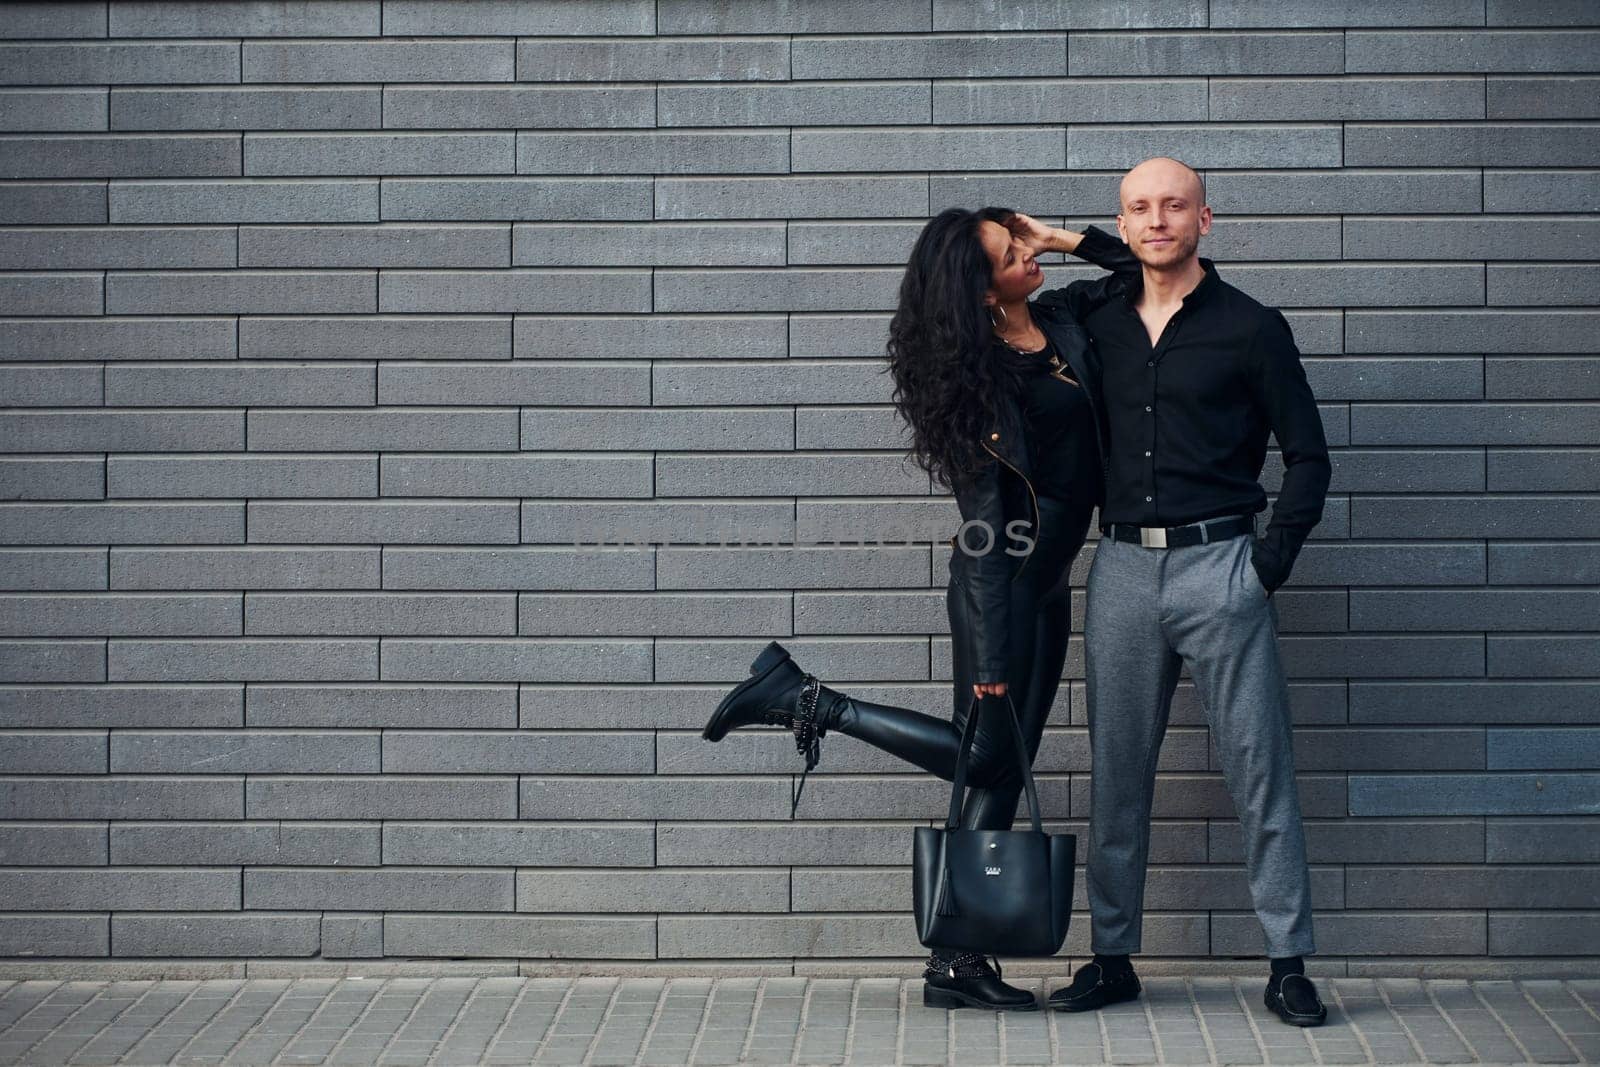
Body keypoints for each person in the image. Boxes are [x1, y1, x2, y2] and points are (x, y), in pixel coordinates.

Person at [701, 206, 1138, 1011]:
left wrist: (1062, 238)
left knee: (1003, 770)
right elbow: (982, 531)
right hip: (998, 586)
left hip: (1046, 583)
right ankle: (806, 699)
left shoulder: (1064, 320)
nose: (1027, 258)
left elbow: (1142, 269)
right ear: (977, 292)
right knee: (986, 760)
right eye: (1011, 255)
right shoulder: (980, 386)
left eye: (1021, 245)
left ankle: (956, 965)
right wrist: (992, 657)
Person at [1044, 157, 1331, 1027]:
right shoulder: (1094, 314)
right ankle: (1113, 956)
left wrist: (1262, 568)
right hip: (1124, 568)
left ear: (1207, 218)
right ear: (1122, 226)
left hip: (1222, 567)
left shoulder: (1252, 327)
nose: (1156, 219)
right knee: (1117, 772)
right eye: (1139, 209)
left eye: (1174, 205)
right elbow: (1011, 310)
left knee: (1260, 769)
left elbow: (1310, 459)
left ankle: (1288, 963)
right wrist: (1069, 243)